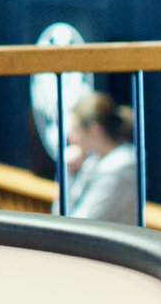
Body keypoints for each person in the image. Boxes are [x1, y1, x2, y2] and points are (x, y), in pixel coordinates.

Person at [61, 92, 137, 224]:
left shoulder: (121, 167)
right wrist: (68, 172)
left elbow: (82, 224)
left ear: (94, 130)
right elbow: (60, 215)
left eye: (75, 130)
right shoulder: (92, 161)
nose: (70, 138)